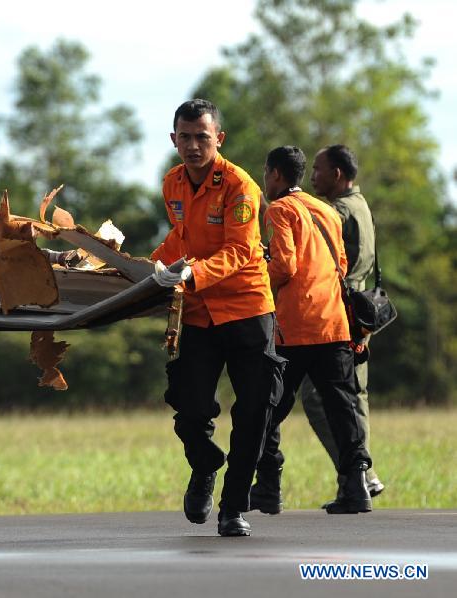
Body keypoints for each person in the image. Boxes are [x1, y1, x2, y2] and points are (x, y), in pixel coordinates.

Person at [150, 99, 285, 537]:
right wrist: (139, 269)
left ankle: (232, 509)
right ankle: (205, 463)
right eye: (185, 137)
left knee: (253, 414)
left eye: (201, 137)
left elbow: (241, 250)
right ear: (174, 140)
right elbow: (180, 238)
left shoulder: (240, 186)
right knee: (189, 407)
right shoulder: (171, 183)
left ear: (218, 139)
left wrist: (193, 273)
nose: (193, 145)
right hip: (199, 313)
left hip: (246, 310)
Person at [250, 146, 372, 516]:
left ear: (274, 174)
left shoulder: (280, 210)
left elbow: (284, 266)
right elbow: (343, 262)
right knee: (343, 407)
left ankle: (268, 486)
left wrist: (256, 276)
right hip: (334, 324)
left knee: (267, 407)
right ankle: (356, 488)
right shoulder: (325, 210)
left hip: (297, 327)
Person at [303, 144, 384, 505]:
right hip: (360, 313)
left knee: (319, 397)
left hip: (339, 314)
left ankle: (358, 474)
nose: (312, 176)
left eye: (318, 169)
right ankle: (364, 476)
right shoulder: (360, 206)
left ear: (337, 174)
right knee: (355, 397)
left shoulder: (335, 211)